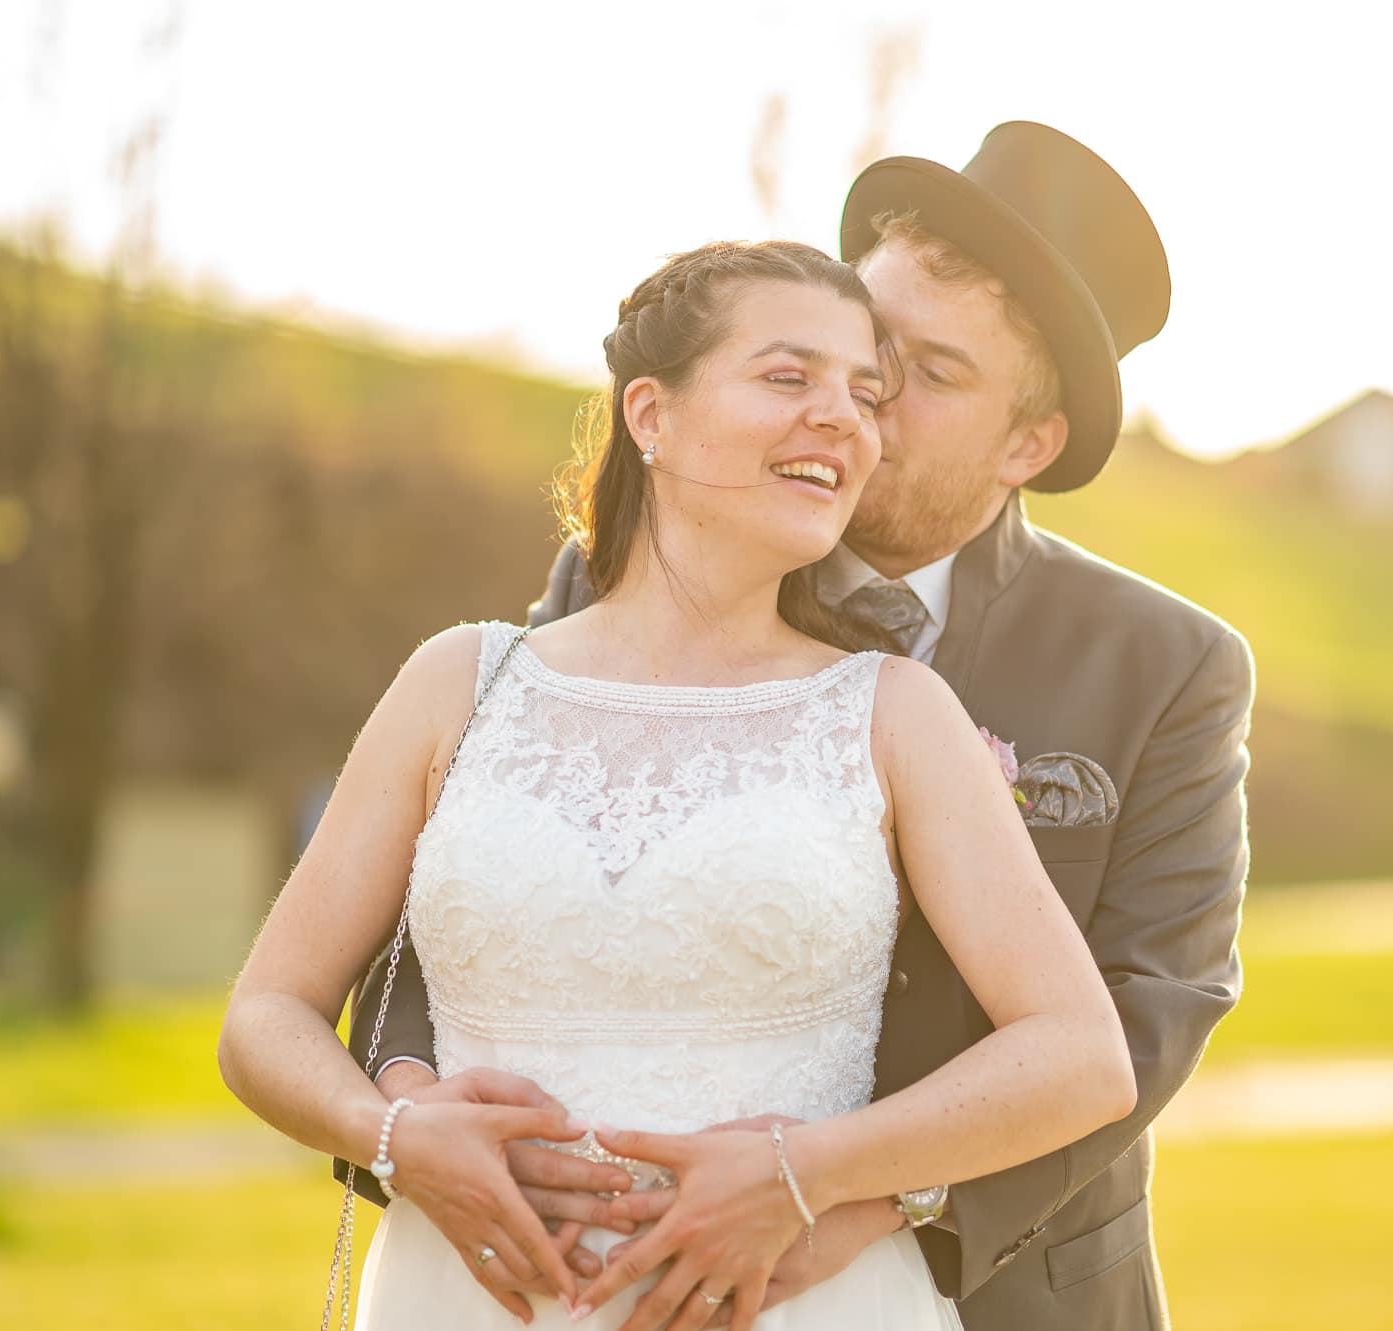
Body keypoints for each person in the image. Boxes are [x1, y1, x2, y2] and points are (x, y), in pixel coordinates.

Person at [353, 123, 1256, 1331]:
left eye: (926, 376)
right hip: (592, 1271)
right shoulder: (630, 575)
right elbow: (469, 870)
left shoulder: (1160, 664)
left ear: (1027, 444)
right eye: (853, 348)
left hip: (1004, 1288)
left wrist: (859, 1200)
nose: (857, 398)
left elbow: (1148, 1011)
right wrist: (411, 1107)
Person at [218, 237, 1137, 1331]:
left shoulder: (893, 713)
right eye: (789, 377)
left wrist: (807, 1171)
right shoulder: (456, 683)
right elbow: (264, 1015)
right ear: (649, 415)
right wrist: (392, 1134)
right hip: (461, 1298)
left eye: (866, 393)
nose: (844, 418)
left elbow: (1081, 1056)